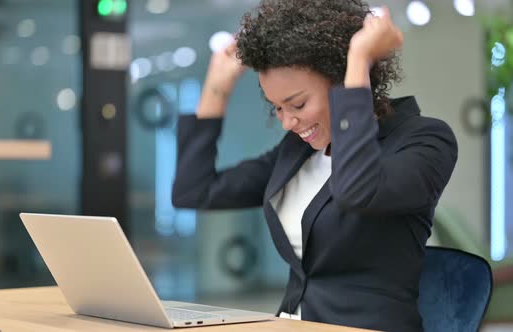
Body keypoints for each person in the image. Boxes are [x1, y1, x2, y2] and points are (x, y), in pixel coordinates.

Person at [172, 1, 458, 331]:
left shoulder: (425, 140)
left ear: (341, 80)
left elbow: (357, 191)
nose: (287, 122)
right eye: (277, 107)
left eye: (297, 103)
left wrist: (358, 61)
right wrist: (217, 89)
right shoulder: (297, 152)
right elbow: (194, 191)